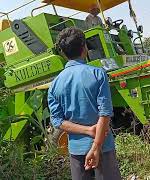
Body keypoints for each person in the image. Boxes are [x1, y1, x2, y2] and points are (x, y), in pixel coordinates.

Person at [48, 27, 121, 180]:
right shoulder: (98, 74)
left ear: (63, 53)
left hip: (76, 151)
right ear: (84, 48)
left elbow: (57, 121)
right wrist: (96, 146)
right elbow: (105, 113)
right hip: (103, 147)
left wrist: (88, 131)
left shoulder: (54, 85)